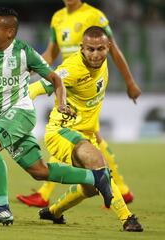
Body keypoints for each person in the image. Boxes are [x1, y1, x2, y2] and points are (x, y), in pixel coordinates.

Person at [0, 7, 113, 226]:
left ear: (10, 32)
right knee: (38, 171)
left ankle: (2, 208)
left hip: (21, 111)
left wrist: (63, 103)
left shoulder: (24, 52)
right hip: (2, 116)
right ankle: (96, 177)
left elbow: (56, 79)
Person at [17, 0, 140, 208]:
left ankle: (46, 193)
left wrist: (130, 81)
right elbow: (51, 53)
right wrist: (31, 68)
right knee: (87, 138)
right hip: (65, 85)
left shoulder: (94, 15)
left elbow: (113, 49)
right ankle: (122, 190)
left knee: (73, 135)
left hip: (87, 86)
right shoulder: (58, 18)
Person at [30, 26, 143, 231]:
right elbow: (36, 88)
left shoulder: (102, 61)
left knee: (90, 188)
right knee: (100, 165)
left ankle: (54, 211)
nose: (95, 54)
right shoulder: (72, 69)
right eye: (90, 49)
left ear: (108, 47)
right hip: (61, 132)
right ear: (82, 47)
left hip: (84, 135)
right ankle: (128, 219)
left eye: (100, 49)